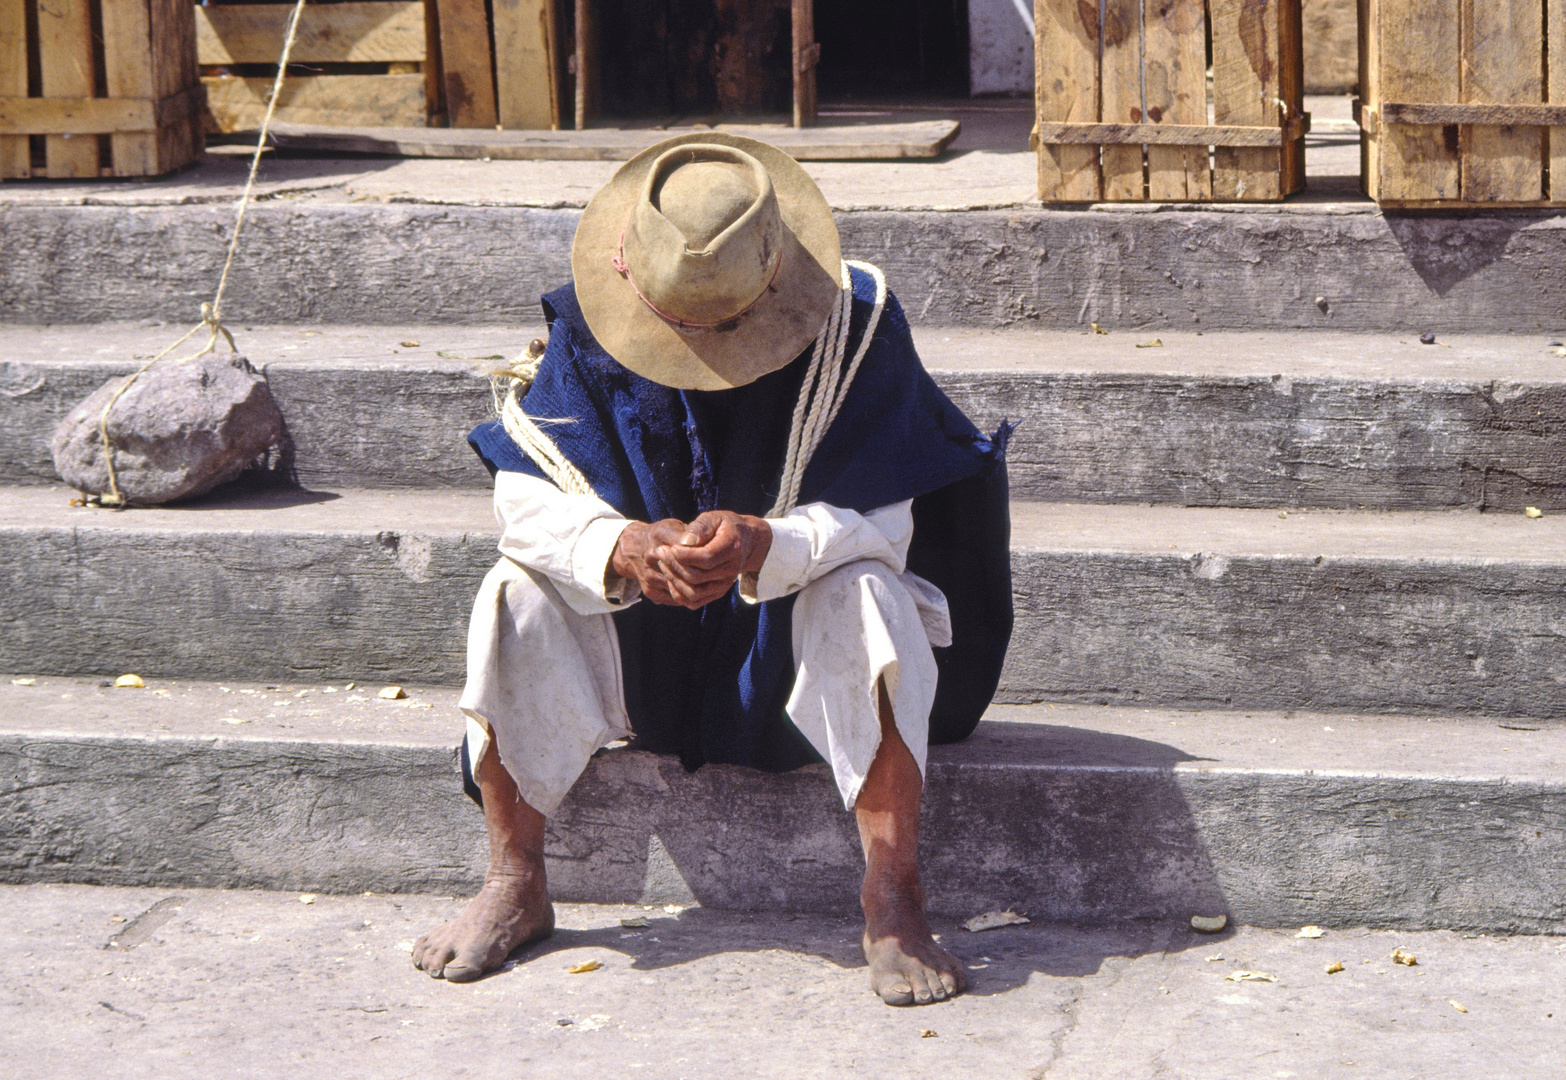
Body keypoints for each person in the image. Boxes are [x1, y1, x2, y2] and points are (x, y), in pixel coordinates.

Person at [412, 134, 1013, 1006]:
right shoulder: (588, 322)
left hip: (792, 648)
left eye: (721, 324)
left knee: (871, 595)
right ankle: (515, 881)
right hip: (652, 643)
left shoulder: (858, 326)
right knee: (513, 589)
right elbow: (525, 495)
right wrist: (618, 549)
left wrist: (770, 544)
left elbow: (889, 518)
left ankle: (894, 897)